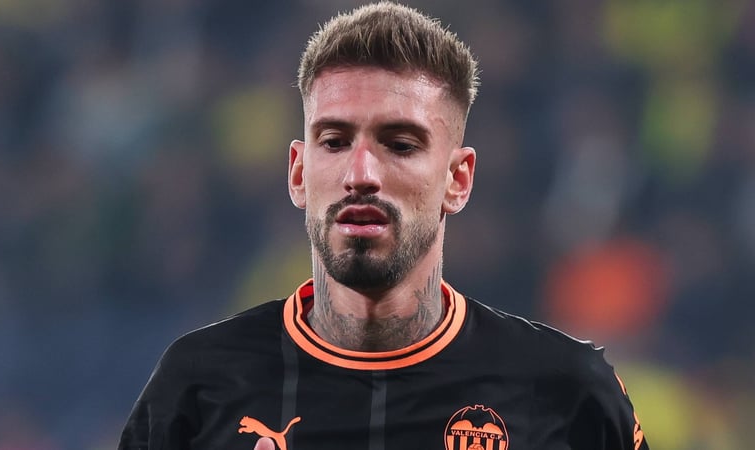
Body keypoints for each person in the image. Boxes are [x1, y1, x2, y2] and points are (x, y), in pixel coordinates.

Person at [119, 3, 649, 450]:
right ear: (299, 173)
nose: (361, 175)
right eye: (334, 141)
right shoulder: (198, 385)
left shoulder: (566, 390)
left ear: (457, 179)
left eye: (400, 144)